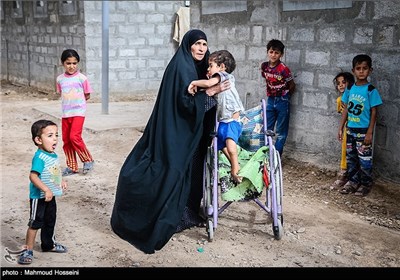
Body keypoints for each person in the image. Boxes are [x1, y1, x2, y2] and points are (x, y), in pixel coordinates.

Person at [110, 29, 229, 254]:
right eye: (198, 44)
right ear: (188, 46)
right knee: (171, 170)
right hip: (176, 132)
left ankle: (188, 213)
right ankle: (164, 217)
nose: (202, 48)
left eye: (205, 43)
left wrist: (211, 89)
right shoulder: (180, 67)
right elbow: (184, 104)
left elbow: (214, 86)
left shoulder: (202, 68)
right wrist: (211, 92)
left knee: (193, 171)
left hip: (196, 134)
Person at [188, 50, 245, 183]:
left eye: (211, 65)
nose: (208, 69)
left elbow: (208, 84)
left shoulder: (223, 76)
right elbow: (209, 89)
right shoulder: (218, 80)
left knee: (230, 146)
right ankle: (235, 164)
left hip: (232, 119)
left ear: (222, 67)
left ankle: (235, 169)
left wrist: (194, 83)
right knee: (220, 145)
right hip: (224, 121)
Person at [18, 120, 68, 265]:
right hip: (39, 197)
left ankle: (48, 245)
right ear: (38, 140)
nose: (55, 139)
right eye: (50, 135)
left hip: (50, 196)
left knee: (50, 222)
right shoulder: (39, 157)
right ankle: (28, 250)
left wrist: (61, 181)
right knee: (35, 223)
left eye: (56, 135)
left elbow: (54, 172)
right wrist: (45, 189)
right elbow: (33, 176)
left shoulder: (53, 155)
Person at [338, 54, 383, 197]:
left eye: (365, 68)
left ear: (370, 70)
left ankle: (365, 184)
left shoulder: (371, 90)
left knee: (365, 160)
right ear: (353, 71)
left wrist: (370, 132)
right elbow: (345, 109)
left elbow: (374, 112)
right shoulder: (350, 88)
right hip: (350, 130)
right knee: (351, 158)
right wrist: (341, 127)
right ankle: (353, 181)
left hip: (364, 131)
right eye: (358, 68)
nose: (361, 71)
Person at [56, 49, 94, 176]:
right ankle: (72, 166)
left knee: (74, 137)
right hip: (66, 114)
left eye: (74, 63)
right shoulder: (60, 79)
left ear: (77, 63)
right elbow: (62, 94)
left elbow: (87, 95)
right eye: (68, 63)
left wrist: (78, 105)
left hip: (78, 112)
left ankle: (88, 160)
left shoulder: (82, 78)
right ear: (63, 63)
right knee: (66, 140)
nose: (71, 66)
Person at [260, 39, 296, 156]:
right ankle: (265, 156)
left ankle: (275, 157)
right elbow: (266, 79)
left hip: (282, 101)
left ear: (281, 54)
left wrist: (285, 96)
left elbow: (292, 85)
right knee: (266, 128)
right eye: (271, 52)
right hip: (270, 100)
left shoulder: (283, 69)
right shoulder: (264, 66)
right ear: (267, 52)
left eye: (276, 53)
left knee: (281, 131)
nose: (273, 55)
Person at [330, 72, 355, 190]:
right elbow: (343, 114)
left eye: (343, 82)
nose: (340, 85)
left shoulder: (355, 95)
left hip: (359, 127)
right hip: (347, 128)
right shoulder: (340, 100)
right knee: (345, 151)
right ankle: (344, 173)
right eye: (338, 83)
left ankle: (353, 177)